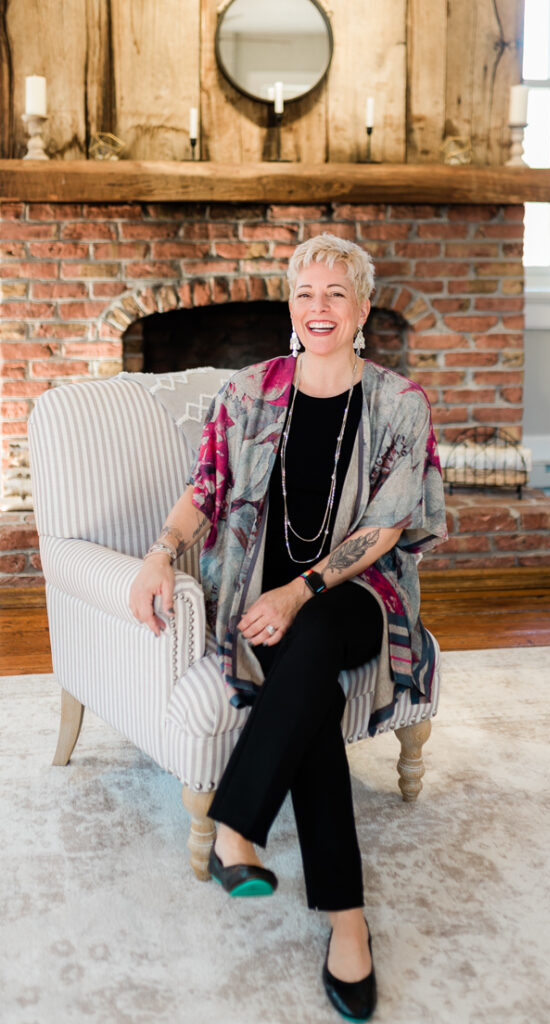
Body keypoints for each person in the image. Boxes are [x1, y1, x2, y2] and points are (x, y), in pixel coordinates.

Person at [129, 233, 447, 1022]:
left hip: (358, 596)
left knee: (308, 631)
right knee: (304, 685)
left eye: (336, 293)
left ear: (364, 307)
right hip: (260, 600)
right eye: (305, 294)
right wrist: (160, 553)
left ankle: (239, 823)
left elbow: (384, 529)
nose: (319, 308)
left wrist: (299, 590)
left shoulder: (400, 403)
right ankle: (348, 921)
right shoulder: (250, 391)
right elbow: (205, 489)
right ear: (291, 308)